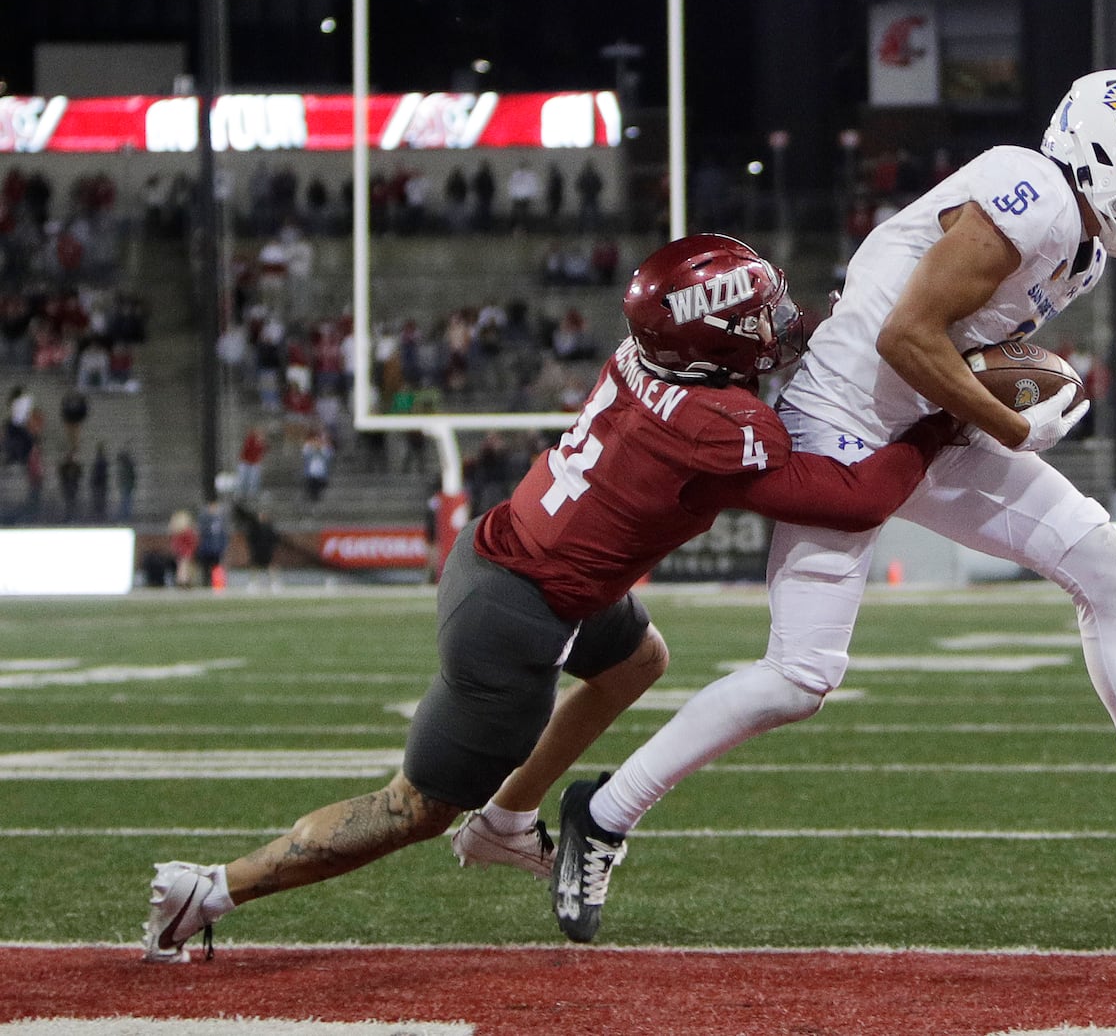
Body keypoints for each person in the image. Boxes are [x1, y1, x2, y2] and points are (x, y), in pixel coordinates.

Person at [547, 70, 1116, 944]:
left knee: (1108, 564)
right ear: (1105, 152)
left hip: (918, 420)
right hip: (838, 427)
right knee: (799, 677)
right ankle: (601, 814)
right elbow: (905, 334)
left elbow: (953, 340)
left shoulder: (1082, 244)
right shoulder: (1037, 197)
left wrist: (992, 401)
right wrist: (1012, 426)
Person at [140, 234, 959, 963]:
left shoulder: (654, 357)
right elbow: (854, 499)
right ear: (710, 344)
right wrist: (939, 418)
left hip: (523, 559)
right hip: (514, 616)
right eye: (759, 316)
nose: (781, 322)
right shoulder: (713, 425)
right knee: (413, 808)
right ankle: (209, 889)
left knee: (639, 659)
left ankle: (505, 821)